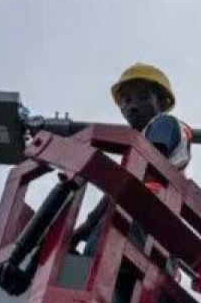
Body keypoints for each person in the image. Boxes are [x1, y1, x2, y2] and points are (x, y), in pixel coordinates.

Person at [73, 63, 193, 255]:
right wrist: (86, 227)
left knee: (100, 256)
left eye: (143, 97)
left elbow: (142, 168)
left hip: (145, 211)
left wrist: (87, 226)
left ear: (161, 102)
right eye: (126, 101)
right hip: (138, 211)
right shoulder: (138, 144)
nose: (132, 106)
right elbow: (124, 182)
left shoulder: (163, 123)